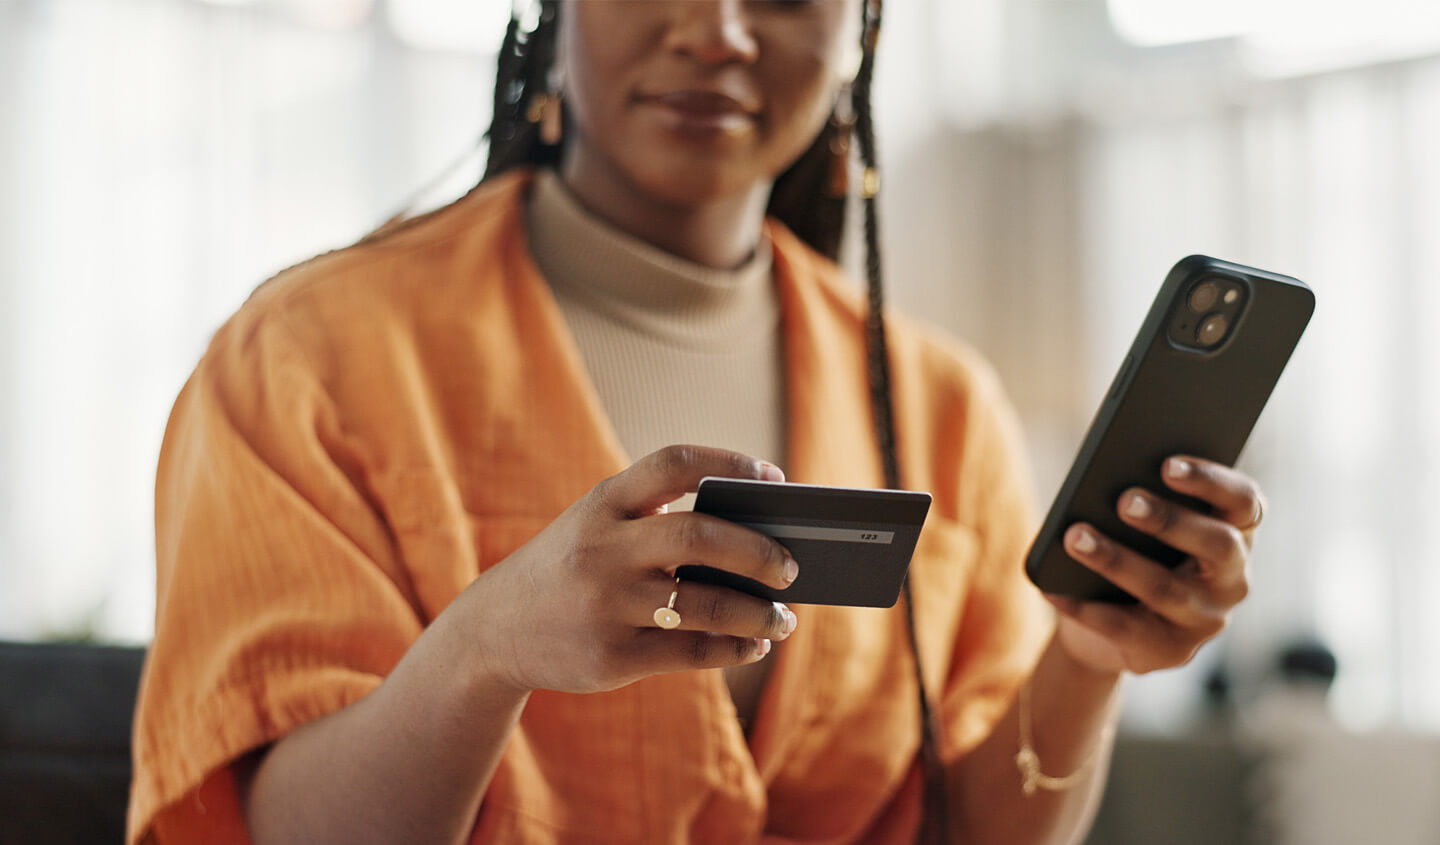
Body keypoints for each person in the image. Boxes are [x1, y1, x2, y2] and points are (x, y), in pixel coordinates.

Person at [126, 2, 1265, 843]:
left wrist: (1087, 654)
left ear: (862, 29)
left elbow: (974, 828)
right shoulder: (305, 354)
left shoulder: (939, 403)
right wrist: (483, 654)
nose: (717, 30)